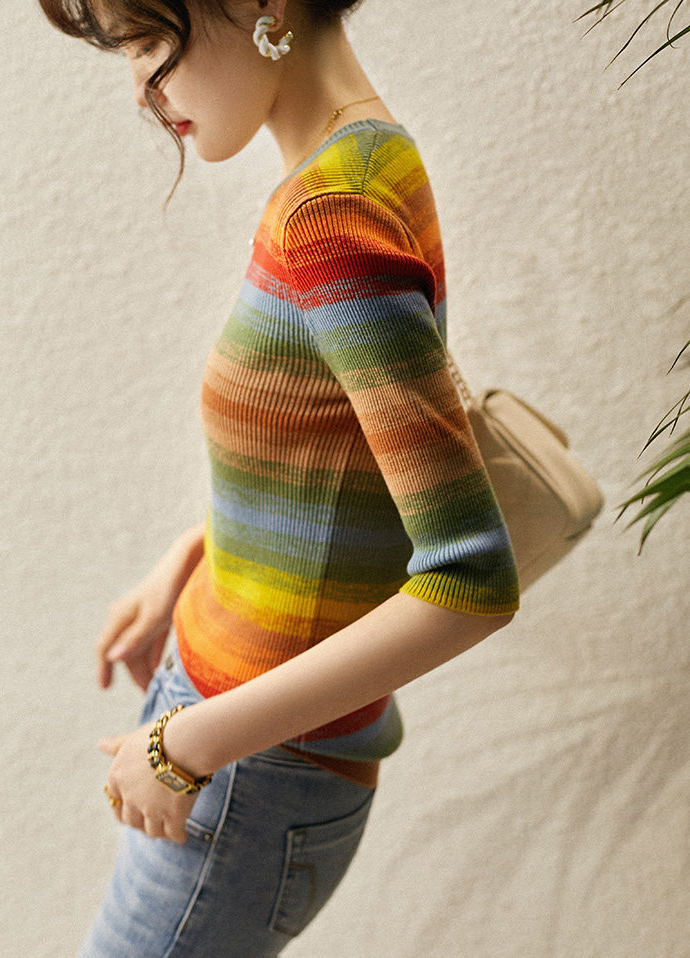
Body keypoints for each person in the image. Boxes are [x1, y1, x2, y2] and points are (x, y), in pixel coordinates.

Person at [39, 1, 520, 954]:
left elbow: (470, 581)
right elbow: (334, 463)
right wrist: (190, 559)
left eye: (146, 39)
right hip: (235, 745)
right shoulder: (362, 161)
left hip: (244, 770)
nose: (139, 86)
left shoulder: (335, 214)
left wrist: (184, 746)